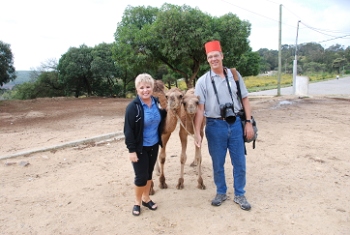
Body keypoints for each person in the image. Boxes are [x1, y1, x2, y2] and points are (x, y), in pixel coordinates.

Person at [194, 40, 254, 211]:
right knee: (217, 163)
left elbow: (245, 99)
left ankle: (240, 194)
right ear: (207, 59)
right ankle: (221, 192)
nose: (213, 59)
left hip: (235, 124)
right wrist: (197, 132)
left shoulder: (234, 75)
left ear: (222, 56)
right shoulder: (202, 81)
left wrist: (248, 123)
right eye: (210, 57)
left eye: (216, 55)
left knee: (239, 162)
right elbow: (200, 110)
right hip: (214, 126)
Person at [124, 73, 167, 216]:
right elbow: (128, 130)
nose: (145, 90)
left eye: (148, 87)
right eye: (141, 87)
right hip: (139, 147)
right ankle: (137, 202)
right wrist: (131, 150)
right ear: (137, 89)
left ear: (152, 88)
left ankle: (146, 198)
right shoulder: (133, 108)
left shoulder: (157, 102)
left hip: (154, 145)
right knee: (140, 177)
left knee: (149, 175)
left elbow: (163, 115)